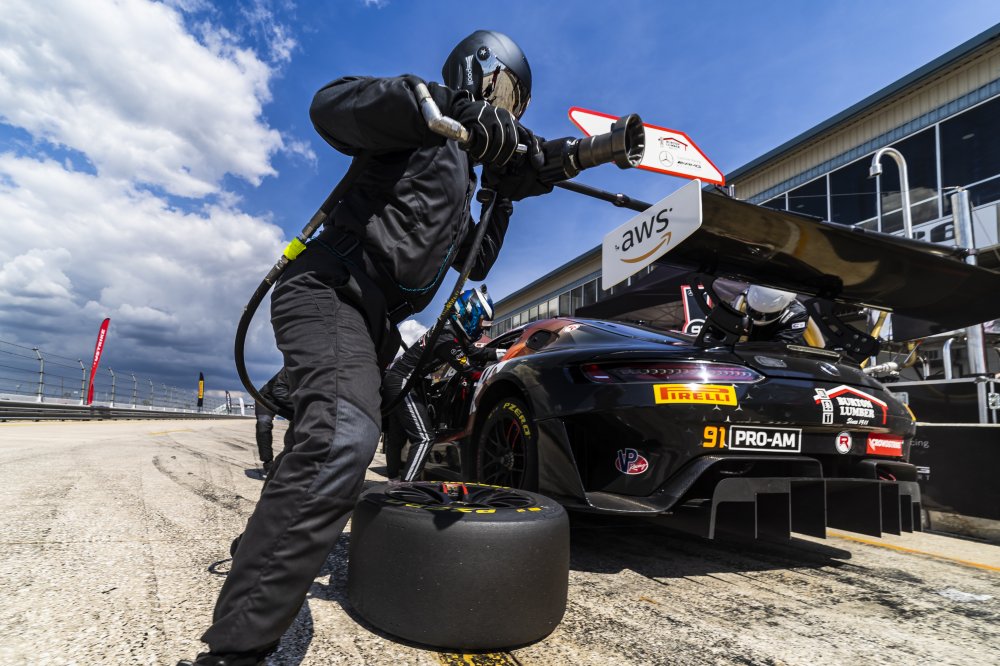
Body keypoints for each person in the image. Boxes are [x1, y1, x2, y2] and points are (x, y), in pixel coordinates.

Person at [180, 30, 551, 665]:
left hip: (374, 323)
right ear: (481, 71)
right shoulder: (420, 116)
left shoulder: (462, 181)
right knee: (341, 437)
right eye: (506, 95)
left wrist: (504, 193)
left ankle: (263, 547)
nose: (507, 112)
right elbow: (331, 106)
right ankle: (234, 652)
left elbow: (476, 259)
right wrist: (446, 107)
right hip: (328, 289)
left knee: (354, 432)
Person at [383, 285, 497, 481]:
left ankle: (393, 483)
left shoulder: (450, 330)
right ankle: (405, 488)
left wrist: (503, 352)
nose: (482, 328)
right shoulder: (446, 337)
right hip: (402, 380)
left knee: (397, 437)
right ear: (468, 313)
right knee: (424, 438)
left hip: (401, 380)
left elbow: (475, 352)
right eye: (481, 322)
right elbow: (471, 371)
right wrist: (496, 371)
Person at [737, 285, 809, 344]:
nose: (759, 315)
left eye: (766, 313)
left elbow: (782, 346)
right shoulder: (741, 300)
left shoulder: (798, 315)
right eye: (754, 311)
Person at [252, 369, 291, 478]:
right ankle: (268, 463)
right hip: (266, 398)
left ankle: (291, 461)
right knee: (263, 424)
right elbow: (278, 390)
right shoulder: (292, 366)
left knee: (300, 425)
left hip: (287, 401)